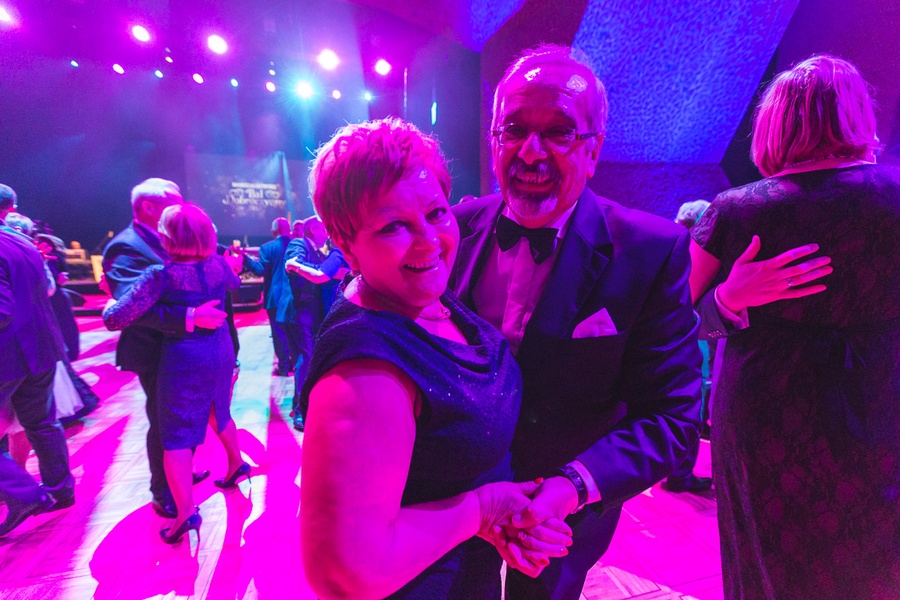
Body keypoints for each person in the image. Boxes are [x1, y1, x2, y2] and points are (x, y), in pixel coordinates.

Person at [449, 45, 703, 600]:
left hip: (566, 505)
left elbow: (673, 415)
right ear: (493, 139)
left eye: (559, 132)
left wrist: (572, 486)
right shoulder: (452, 229)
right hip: (456, 493)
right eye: (514, 129)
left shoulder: (651, 250)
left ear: (593, 151)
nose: (530, 151)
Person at [299, 117, 573, 599]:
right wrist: (482, 511)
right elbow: (344, 572)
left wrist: (512, 516)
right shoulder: (367, 370)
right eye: (394, 226)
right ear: (346, 244)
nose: (429, 241)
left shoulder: (428, 299)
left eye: (436, 213)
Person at [689, 54, 900, 598]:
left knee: (767, 560)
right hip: (883, 402)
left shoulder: (736, 211)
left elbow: (671, 323)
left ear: (775, 122)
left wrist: (728, 299)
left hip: (765, 413)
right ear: (858, 115)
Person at [103, 204, 250, 543]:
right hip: (220, 349)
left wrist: (111, 302)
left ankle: (185, 514)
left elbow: (115, 318)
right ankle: (236, 464)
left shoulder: (161, 274)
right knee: (219, 411)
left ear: (166, 237)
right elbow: (234, 282)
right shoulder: (218, 264)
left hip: (185, 357)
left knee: (175, 437)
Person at [0, 220, 75, 537]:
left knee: (40, 423)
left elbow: (2, 311)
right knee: (42, 422)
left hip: (8, 354)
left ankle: (26, 496)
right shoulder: (20, 240)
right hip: (41, 345)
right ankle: (60, 489)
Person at [661, 200, 715, 494]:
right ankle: (680, 476)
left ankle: (669, 469)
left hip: (666, 341)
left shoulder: (666, 249)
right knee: (690, 408)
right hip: (691, 341)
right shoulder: (700, 255)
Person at [281, 216, 339, 431]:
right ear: (313, 229)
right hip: (299, 313)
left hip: (309, 314)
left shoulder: (317, 250)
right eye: (324, 229)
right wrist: (321, 271)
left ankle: (303, 405)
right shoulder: (299, 244)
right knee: (304, 361)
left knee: (307, 360)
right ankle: (300, 412)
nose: (328, 233)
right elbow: (294, 265)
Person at [242, 217, 294, 375]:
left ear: (274, 230)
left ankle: (284, 366)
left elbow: (260, 270)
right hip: (296, 295)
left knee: (279, 333)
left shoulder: (268, 247)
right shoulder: (297, 244)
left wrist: (244, 257)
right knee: (294, 331)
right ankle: (295, 363)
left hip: (276, 297)